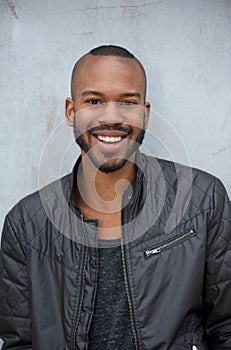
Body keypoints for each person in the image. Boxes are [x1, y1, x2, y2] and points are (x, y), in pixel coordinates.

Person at [0, 45, 230, 350]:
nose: (111, 117)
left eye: (127, 102)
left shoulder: (203, 201)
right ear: (72, 111)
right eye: (94, 101)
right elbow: (20, 344)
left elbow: (226, 328)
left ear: (145, 114)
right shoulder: (26, 224)